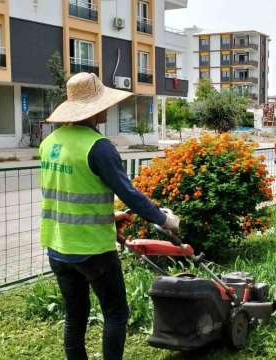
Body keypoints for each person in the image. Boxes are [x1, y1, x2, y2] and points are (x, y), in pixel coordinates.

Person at [39, 72, 180, 360]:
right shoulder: (98, 146)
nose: (107, 108)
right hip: (92, 249)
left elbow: (70, 192)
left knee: (74, 316)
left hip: (58, 246)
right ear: (95, 109)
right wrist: (164, 219)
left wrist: (110, 215)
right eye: (104, 103)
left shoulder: (50, 143)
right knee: (115, 313)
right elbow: (130, 194)